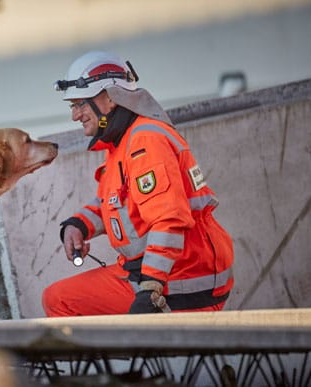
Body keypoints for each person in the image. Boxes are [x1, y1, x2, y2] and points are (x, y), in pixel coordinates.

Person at [42, 51, 234, 315]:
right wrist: (78, 226)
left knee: (60, 301)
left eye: (80, 104)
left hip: (181, 279)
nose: (75, 115)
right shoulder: (123, 141)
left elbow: (169, 220)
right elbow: (110, 202)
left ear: (109, 97)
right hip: (162, 271)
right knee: (57, 298)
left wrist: (150, 288)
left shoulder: (144, 142)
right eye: (72, 106)